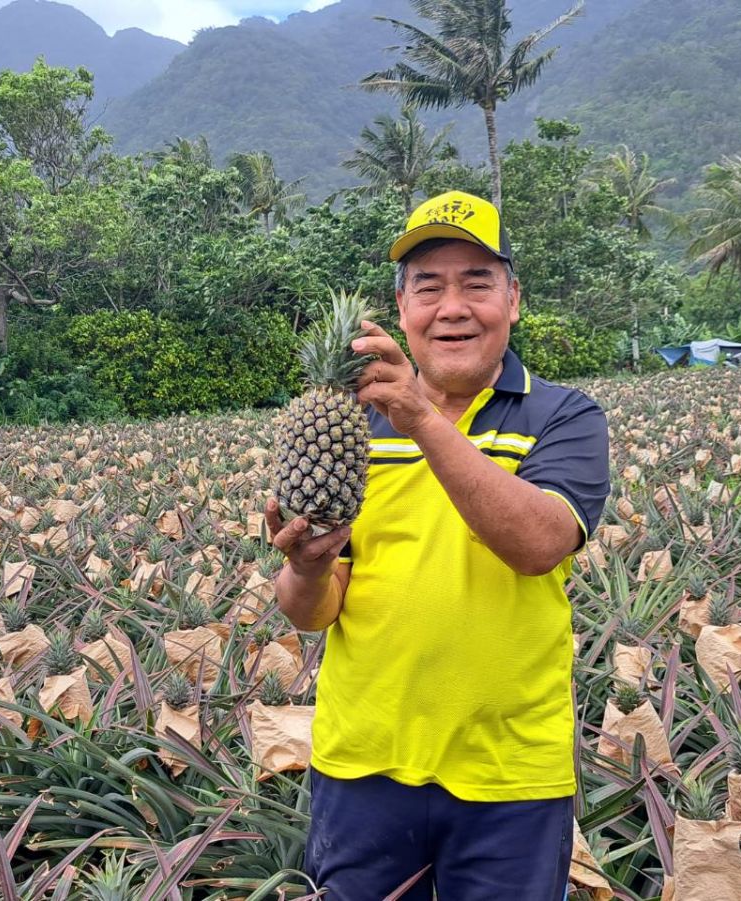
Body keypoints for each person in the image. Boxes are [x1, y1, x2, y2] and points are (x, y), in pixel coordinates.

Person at [265, 190, 613, 899]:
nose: (452, 306)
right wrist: (307, 567)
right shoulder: (346, 428)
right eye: (429, 286)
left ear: (512, 299)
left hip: (510, 775)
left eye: (476, 283)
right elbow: (312, 611)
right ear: (402, 311)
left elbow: (538, 542)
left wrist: (419, 415)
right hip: (361, 766)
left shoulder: (564, 416)